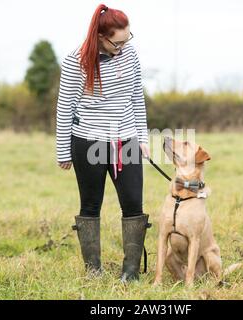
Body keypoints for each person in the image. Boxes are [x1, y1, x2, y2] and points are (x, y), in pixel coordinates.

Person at [55, 4, 151, 282]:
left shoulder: (130, 53)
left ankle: (130, 273)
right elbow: (65, 108)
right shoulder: (75, 61)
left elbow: (137, 98)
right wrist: (63, 151)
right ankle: (93, 272)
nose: (122, 47)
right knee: (90, 205)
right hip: (88, 141)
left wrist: (142, 138)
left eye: (127, 40)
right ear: (100, 35)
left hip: (125, 140)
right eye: (117, 42)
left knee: (133, 203)